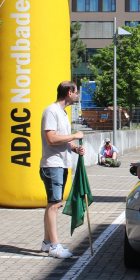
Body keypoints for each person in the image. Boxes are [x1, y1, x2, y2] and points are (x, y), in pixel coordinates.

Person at [40, 81, 85, 259]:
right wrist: (74, 135)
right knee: (54, 204)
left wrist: (75, 148)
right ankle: (55, 246)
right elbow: (51, 138)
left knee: (53, 204)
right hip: (52, 165)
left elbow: (65, 139)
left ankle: (47, 242)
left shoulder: (63, 113)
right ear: (69, 93)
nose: (77, 95)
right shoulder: (51, 111)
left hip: (62, 164)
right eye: (76, 92)